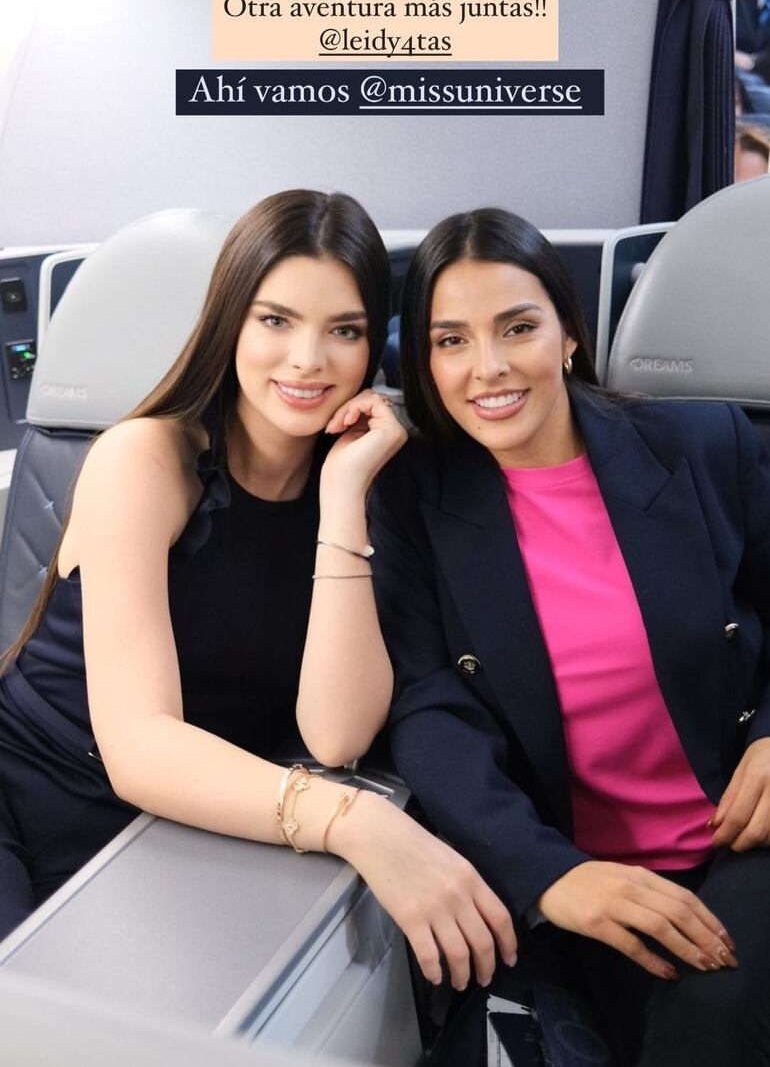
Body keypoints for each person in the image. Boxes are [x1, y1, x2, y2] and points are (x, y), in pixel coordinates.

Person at [0, 190, 518, 996]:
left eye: (342, 330)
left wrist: (345, 496)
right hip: (30, 788)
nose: (308, 359)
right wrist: (358, 823)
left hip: (185, 825)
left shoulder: (369, 473)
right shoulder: (147, 459)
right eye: (275, 320)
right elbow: (139, 745)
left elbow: (335, 732)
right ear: (229, 322)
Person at [368, 208, 770, 1066]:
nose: (489, 368)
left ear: (568, 336)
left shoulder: (702, 445)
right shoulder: (413, 500)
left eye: (518, 327)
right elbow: (430, 707)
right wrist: (547, 875)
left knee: (708, 1021)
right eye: (450, 341)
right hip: (568, 876)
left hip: (738, 843)